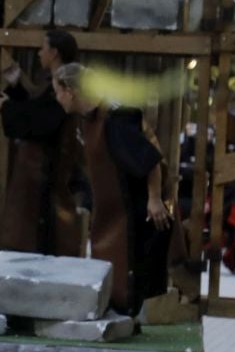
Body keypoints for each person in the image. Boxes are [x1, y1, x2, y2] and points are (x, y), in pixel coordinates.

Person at [58, 63, 172, 315]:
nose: (57, 98)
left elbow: (150, 160)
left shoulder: (114, 119)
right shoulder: (88, 121)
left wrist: (154, 199)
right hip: (110, 216)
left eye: (58, 92)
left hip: (130, 217)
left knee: (128, 282)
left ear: (70, 91)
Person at [0, 29, 83, 256]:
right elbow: (37, 109)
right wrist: (15, 91)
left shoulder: (64, 87)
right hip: (37, 175)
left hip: (46, 173)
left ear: (54, 53)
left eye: (43, 48)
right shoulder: (51, 86)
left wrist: (8, 106)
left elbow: (43, 122)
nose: (38, 53)